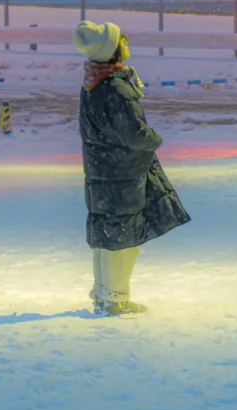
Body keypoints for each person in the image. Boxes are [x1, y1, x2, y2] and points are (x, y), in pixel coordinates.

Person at [75, 20, 190, 314]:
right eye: (122, 39)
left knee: (107, 231)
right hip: (122, 172)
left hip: (102, 170)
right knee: (123, 236)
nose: (127, 42)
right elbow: (134, 134)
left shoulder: (93, 84)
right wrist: (155, 138)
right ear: (114, 49)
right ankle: (115, 300)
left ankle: (103, 293)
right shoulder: (116, 89)